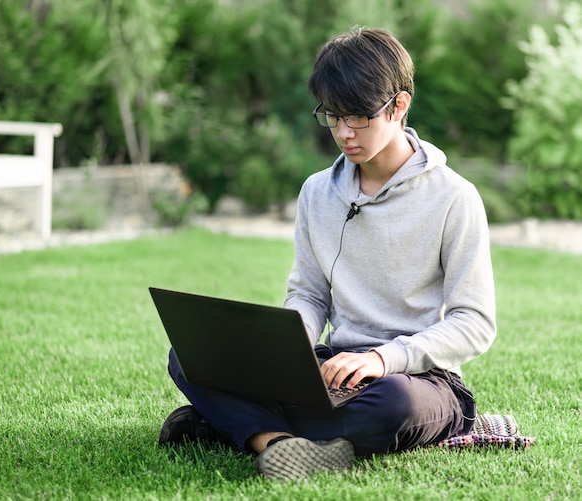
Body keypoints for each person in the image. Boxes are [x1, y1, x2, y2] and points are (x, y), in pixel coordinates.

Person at [160, 26, 496, 480]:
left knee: (394, 406)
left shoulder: (455, 197)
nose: (343, 132)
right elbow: (310, 294)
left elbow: (474, 323)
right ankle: (275, 444)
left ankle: (231, 425)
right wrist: (291, 348)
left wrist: (381, 359)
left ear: (399, 105)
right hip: (328, 371)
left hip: (415, 379)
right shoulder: (317, 192)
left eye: (357, 117)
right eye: (333, 116)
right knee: (191, 353)